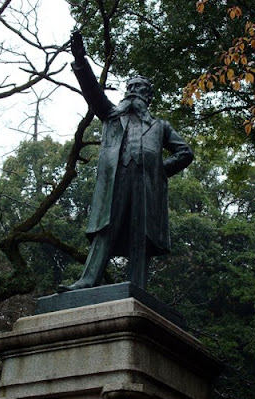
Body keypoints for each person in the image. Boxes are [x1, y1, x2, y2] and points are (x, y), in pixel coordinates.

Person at [59, 32, 193, 292]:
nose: (133, 91)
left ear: (149, 97)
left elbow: (185, 153)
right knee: (105, 229)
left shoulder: (160, 126)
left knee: (140, 234)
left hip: (145, 184)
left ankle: (137, 286)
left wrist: (159, 170)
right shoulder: (112, 116)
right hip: (116, 180)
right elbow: (93, 93)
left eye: (139, 88)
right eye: (130, 87)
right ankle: (87, 280)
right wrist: (80, 60)